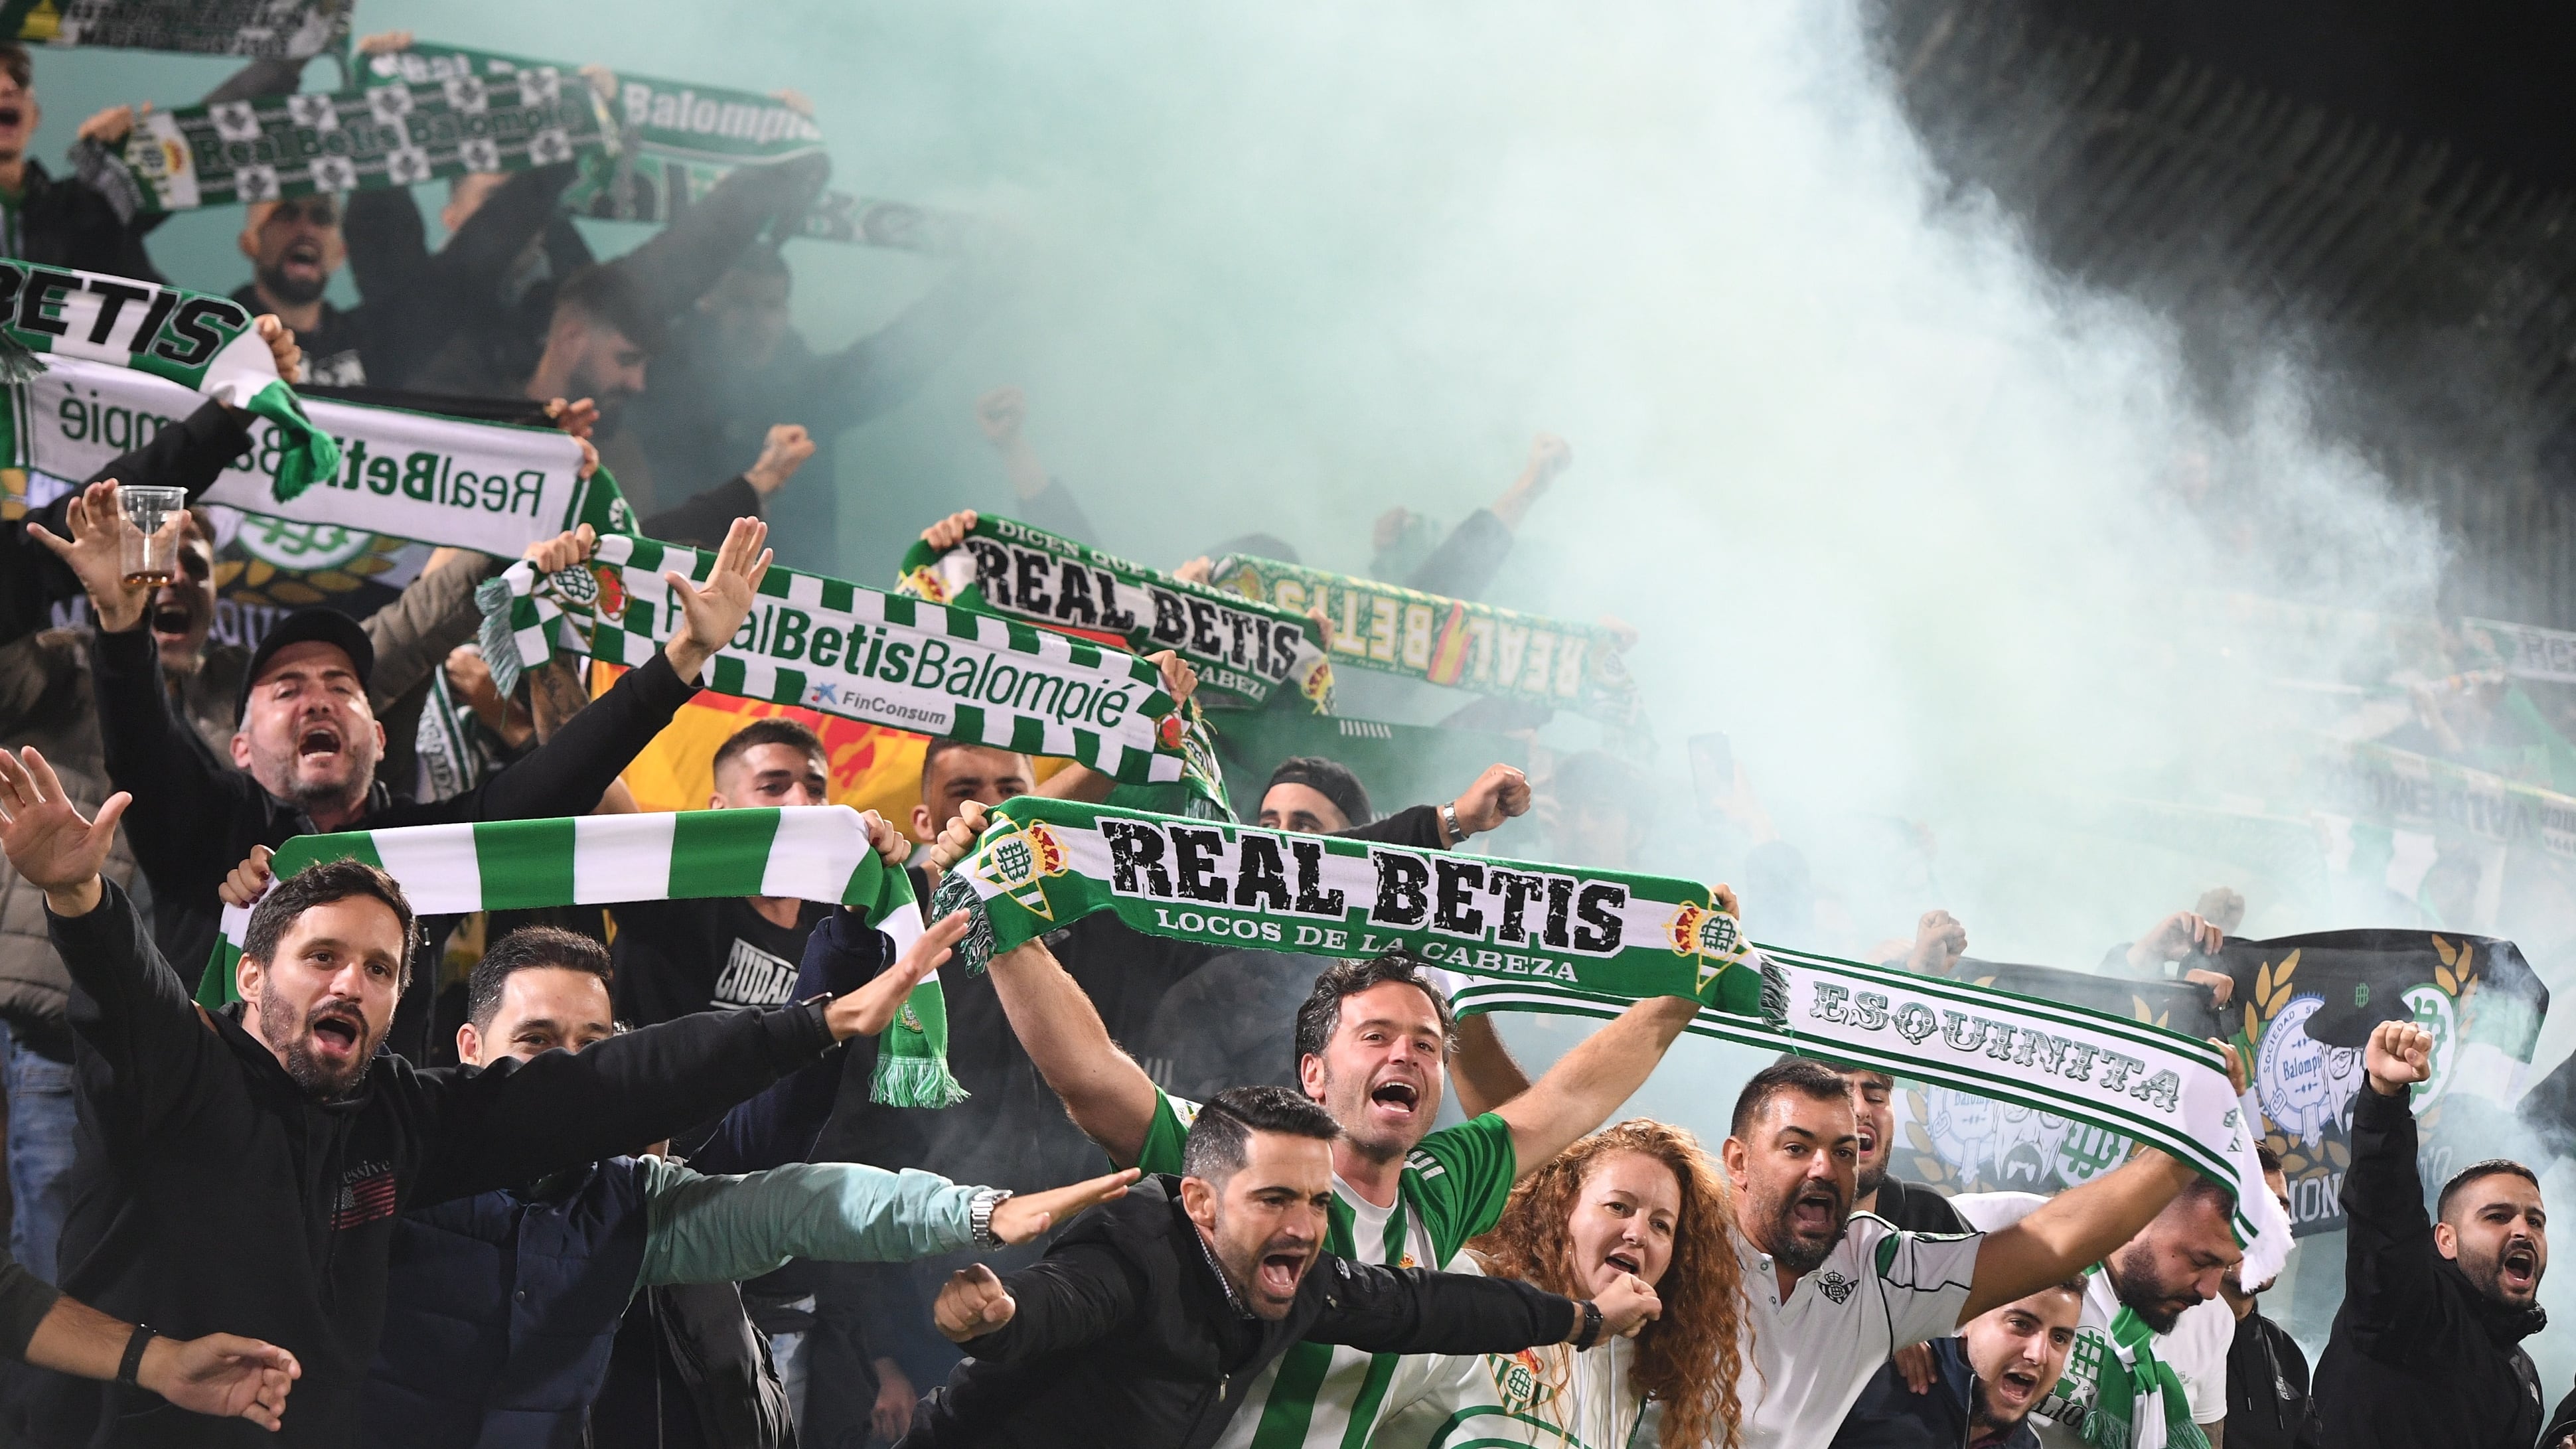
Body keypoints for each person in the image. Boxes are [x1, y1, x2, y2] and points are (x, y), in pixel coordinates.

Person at [0, 743, 990, 1448]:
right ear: (252, 976)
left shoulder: (407, 1122)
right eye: (323, 956)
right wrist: (81, 901)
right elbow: (129, 996)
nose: (351, 981)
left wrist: (813, 1020)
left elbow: (609, 1089)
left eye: (380, 968)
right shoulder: (185, 1066)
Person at [355, 913, 1134, 1449]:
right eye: (535, 1041)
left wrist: (968, 1209)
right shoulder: (384, 1159)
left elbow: (798, 1204)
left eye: (592, 1045)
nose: (569, 1069)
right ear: (467, 1046)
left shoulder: (633, 1200)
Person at [969, 927, 1706, 1449]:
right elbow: (1088, 1072)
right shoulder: (1235, 1156)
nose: (1405, 1054)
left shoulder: (1434, 1193)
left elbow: (1569, 1100)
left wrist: (1681, 994)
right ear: (1313, 1071)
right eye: (1376, 1035)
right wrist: (1001, 922)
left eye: (1425, 1043)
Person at [62, 490, 773, 1025]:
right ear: (240, 747)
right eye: (287, 689)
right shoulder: (208, 828)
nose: (317, 701)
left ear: (378, 735)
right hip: (211, 1163)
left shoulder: (425, 849)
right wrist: (122, 631)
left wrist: (682, 657)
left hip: (369, 1168)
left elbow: (555, 781)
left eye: (341, 687)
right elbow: (147, 752)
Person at [899, 1085, 1660, 1449]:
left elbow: (1426, 1305)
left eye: (1315, 1200)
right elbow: (1060, 1299)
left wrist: (1583, 1319)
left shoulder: (1301, 1277)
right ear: (1199, 1200)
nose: (1301, 1227)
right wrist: (999, 1320)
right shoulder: (1135, 1250)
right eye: (1272, 1199)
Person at [1718, 1057, 2216, 1448]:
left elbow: (2050, 1244)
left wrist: (2187, 1142)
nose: (1825, 1168)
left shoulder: (1880, 1268)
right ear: (1738, 1160)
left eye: (1844, 1152)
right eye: (1796, 1147)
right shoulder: (1682, 1240)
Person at [1377, 1120, 1747, 1449]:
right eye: (1618, 1207)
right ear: (1564, 1205)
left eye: (1661, 1225)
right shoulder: (1470, 1285)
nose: (1638, 1234)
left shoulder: (1632, 1373)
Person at [635, 243, 1000, 570]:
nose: (757, 322)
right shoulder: (650, 381)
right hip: (679, 585)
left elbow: (901, 356)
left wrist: (990, 272)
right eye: (741, 305)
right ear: (708, 305)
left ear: (787, 312)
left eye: (771, 306)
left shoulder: (811, 391)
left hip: (799, 603)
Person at [2312, 1020, 2550, 1448]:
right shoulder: (2407, 1313)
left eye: (2535, 1220)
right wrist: (2384, 1099)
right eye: (2497, 1216)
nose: (2522, 1229)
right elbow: (2385, 1219)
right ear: (2444, 1240)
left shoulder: (2521, 1373)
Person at [1943, 1172, 2240, 1448]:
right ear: (2140, 1219)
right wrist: (1900, 1332)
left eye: (2224, 1266)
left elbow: (2207, 1435)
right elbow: (1898, 1263)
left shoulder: (2216, 1322)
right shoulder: (2007, 1226)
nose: (2210, 1290)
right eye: (2200, 1261)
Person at [609, 717, 846, 1027]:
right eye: (772, 787)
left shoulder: (840, 914)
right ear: (720, 809)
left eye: (816, 789)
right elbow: (587, 764)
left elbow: (928, 884)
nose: (802, 801)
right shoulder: (674, 892)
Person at [1830, 1278, 2087, 1449]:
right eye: (2021, 1324)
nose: (2039, 1354)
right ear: (1969, 1316)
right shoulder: (1875, 1377)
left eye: (2059, 1338)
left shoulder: (2026, 1445)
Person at [0, 43, 160, 279]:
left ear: (35, 115)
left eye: (19, 78)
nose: (7, 85)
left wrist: (128, 155)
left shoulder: (83, 206)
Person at [2222, 1146, 2316, 1449]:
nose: (2266, 1229)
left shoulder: (2286, 1353)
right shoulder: (2161, 1337)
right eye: (2252, 1208)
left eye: (2281, 1211)